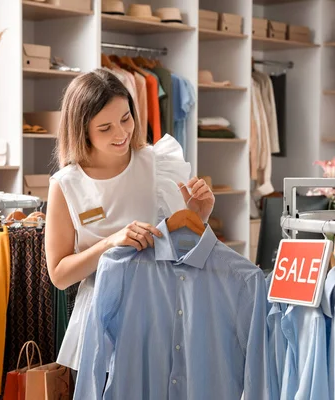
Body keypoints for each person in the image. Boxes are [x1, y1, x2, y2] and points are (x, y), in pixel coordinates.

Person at [45, 68, 215, 374]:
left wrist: (199, 217)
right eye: (105, 127)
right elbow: (59, 275)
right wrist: (110, 243)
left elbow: (183, 254)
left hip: (161, 314)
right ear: (82, 129)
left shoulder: (158, 164)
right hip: (99, 323)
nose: (121, 134)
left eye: (126, 118)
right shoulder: (66, 184)